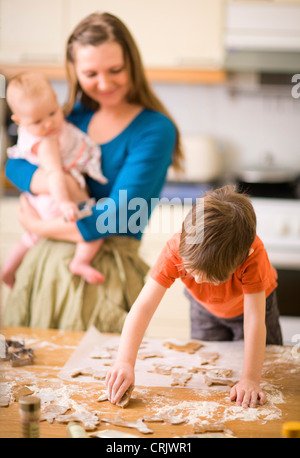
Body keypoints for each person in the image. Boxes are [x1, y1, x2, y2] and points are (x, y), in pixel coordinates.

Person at [3, 12, 183, 332]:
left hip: (104, 275)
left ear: (132, 63)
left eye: (115, 70)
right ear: (74, 72)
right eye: (90, 73)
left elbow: (123, 215)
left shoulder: (154, 129)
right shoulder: (69, 117)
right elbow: (15, 164)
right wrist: (52, 180)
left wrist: (37, 225)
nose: (104, 83)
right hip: (44, 269)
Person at [105, 185, 283, 409]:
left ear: (242, 258)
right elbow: (142, 308)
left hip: (255, 311)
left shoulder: (253, 256)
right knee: (211, 365)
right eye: (191, 271)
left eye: (211, 278)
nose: (197, 282)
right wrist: (125, 361)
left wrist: (250, 379)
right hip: (203, 310)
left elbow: (254, 322)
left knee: (273, 372)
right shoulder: (175, 249)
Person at [1, 71, 108, 288]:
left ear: (56, 99)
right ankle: (80, 262)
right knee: (94, 232)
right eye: (38, 121)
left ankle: (8, 270)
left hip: (40, 202)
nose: (49, 124)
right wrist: (66, 203)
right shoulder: (47, 142)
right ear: (19, 121)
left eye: (52, 113)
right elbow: (54, 174)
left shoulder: (40, 130)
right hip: (59, 200)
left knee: (29, 238)